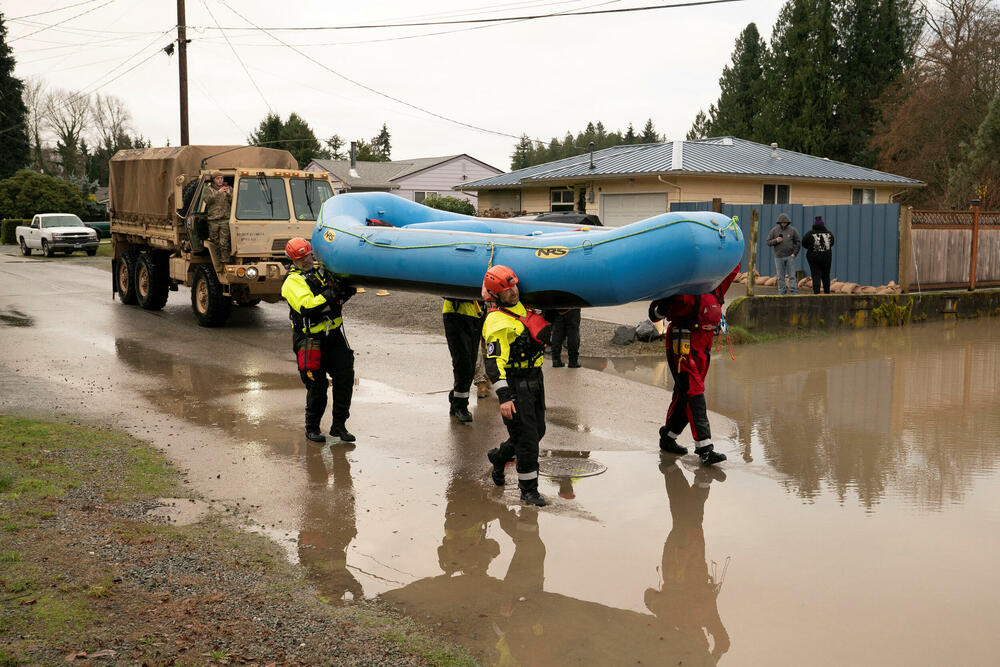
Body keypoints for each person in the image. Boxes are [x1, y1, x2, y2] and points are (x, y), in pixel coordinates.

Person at [648, 265, 740, 466]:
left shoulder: (716, 285)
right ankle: (705, 449)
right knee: (694, 390)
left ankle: (668, 438)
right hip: (683, 343)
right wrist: (664, 307)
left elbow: (733, 266)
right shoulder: (679, 283)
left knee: (685, 393)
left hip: (704, 344)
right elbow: (654, 314)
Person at [482, 265, 550, 507]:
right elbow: (493, 362)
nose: (513, 292)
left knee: (537, 431)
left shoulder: (523, 306)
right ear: (495, 295)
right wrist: (504, 397)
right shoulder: (496, 322)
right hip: (515, 384)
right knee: (528, 440)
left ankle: (499, 457)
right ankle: (529, 491)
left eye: (514, 286)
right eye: (506, 290)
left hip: (536, 379)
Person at [281, 237, 357, 444]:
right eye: (301, 259)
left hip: (334, 336)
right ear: (292, 260)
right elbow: (308, 307)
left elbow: (340, 296)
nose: (306, 260)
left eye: (308, 256)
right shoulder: (291, 282)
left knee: (345, 378)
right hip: (310, 340)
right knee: (317, 386)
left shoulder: (321, 272)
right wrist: (332, 295)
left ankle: (339, 425)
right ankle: (312, 428)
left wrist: (342, 292)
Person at [443, 298, 482, 422]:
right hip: (455, 315)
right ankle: (460, 406)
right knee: (463, 363)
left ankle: (456, 397)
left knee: (470, 364)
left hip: (476, 315)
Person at [765, 213, 800, 295]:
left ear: (788, 222)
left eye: (785, 222)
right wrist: (776, 240)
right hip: (778, 257)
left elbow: (798, 242)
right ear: (779, 222)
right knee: (780, 276)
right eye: (782, 222)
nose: (784, 223)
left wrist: (794, 254)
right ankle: (781, 292)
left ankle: (794, 292)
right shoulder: (774, 230)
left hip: (790, 256)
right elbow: (768, 242)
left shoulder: (793, 230)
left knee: (792, 276)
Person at [801, 215, 836, 294]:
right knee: (826, 275)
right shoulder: (829, 233)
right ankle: (827, 293)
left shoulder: (809, 234)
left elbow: (803, 243)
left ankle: (817, 294)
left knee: (816, 275)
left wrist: (811, 248)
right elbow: (832, 243)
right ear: (823, 225)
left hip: (813, 257)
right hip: (827, 257)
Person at [203, 173, 233, 262]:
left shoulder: (229, 188)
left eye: (221, 178)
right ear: (213, 180)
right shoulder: (209, 190)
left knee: (224, 242)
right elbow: (207, 200)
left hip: (225, 219)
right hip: (213, 220)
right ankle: (217, 260)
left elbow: (235, 201)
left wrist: (229, 194)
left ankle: (225, 260)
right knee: (215, 242)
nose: (220, 180)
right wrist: (218, 193)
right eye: (218, 178)